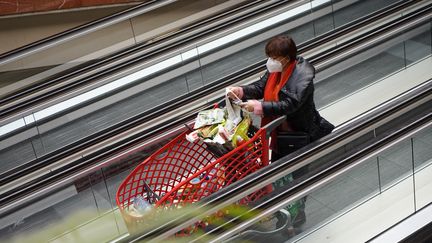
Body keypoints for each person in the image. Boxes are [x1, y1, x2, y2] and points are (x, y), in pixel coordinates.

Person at [228, 35, 334, 231]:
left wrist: (259, 107)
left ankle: (296, 219)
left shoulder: (303, 77)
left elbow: (290, 104)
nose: (270, 61)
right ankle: (284, 215)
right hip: (278, 136)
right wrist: (241, 91)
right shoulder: (276, 72)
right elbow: (260, 87)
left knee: (296, 179)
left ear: (286, 58)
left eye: (274, 57)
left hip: (298, 136)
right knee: (279, 177)